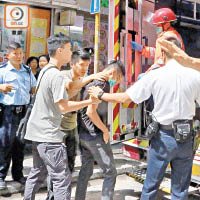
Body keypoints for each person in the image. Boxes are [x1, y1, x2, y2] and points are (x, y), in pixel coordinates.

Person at [88, 37, 200, 199]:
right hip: (185, 138)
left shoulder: (155, 75)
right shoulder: (194, 75)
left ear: (162, 52)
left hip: (162, 139)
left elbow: (127, 98)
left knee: (151, 187)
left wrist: (101, 94)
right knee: (180, 190)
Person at [23, 32, 100, 200]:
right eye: (69, 49)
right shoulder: (56, 75)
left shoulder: (45, 71)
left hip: (37, 132)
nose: (71, 53)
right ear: (59, 50)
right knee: (61, 178)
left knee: (37, 173)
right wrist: (90, 102)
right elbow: (64, 107)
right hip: (49, 135)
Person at [46, 49, 108, 200]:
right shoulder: (63, 76)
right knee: (57, 168)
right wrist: (91, 76)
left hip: (72, 127)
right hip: (58, 128)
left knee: (70, 165)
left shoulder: (84, 79)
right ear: (72, 64)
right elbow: (71, 88)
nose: (84, 68)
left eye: (87, 65)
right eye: (81, 65)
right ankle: (52, 196)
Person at [75, 60, 125, 200]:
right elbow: (91, 112)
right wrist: (105, 130)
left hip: (83, 134)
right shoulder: (101, 84)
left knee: (86, 171)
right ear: (114, 72)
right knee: (110, 172)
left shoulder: (92, 80)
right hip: (94, 135)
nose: (118, 82)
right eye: (120, 78)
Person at [0, 42, 37, 190]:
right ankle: (1, 177)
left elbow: (34, 88)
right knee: (5, 145)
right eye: (15, 53)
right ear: (8, 55)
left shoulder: (27, 71)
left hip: (24, 112)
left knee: (20, 144)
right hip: (8, 112)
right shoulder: (2, 71)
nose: (19, 56)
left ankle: (18, 175)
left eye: (21, 53)